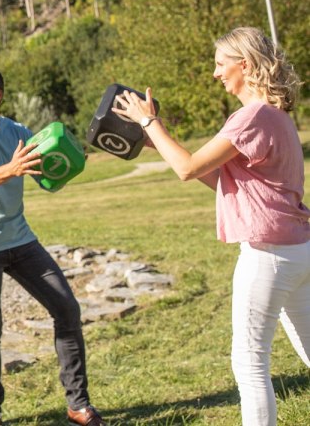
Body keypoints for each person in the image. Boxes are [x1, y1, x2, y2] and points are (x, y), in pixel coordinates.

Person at [113, 27, 309, 426]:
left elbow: (187, 169)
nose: (216, 73)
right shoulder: (274, 115)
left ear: (246, 65)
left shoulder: (251, 116)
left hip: (268, 255)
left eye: (221, 64)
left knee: (249, 361)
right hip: (298, 251)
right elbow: (220, 179)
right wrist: (156, 139)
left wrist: (149, 122)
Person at [0, 65, 105, 426]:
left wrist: (69, 157)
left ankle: (78, 404)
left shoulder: (17, 132)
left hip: (20, 240)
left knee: (67, 309)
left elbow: (49, 169)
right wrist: (11, 169)